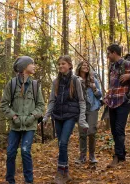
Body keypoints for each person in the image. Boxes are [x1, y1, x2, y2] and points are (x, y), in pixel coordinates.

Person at [42, 55, 88, 184]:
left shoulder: (75, 80)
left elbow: (81, 101)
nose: (61, 66)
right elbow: (51, 101)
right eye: (59, 64)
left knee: (63, 143)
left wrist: (82, 119)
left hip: (70, 116)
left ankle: (60, 172)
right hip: (57, 116)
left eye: (63, 64)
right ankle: (66, 172)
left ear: (70, 65)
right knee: (61, 145)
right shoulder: (55, 82)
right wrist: (46, 116)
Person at [0, 56, 45, 184]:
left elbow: (41, 105)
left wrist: (32, 116)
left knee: (25, 151)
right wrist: (14, 116)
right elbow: (4, 104)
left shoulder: (35, 85)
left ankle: (28, 181)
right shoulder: (12, 83)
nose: (34, 66)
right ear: (24, 67)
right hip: (15, 125)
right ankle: (10, 180)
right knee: (10, 153)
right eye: (32, 64)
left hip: (30, 125)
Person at [104, 44, 130, 168]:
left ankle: (117, 157)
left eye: (108, 53)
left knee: (119, 129)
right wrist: (106, 98)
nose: (107, 56)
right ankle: (122, 156)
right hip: (112, 102)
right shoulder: (112, 66)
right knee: (113, 130)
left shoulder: (127, 64)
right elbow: (112, 86)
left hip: (124, 101)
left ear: (114, 53)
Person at [75, 61, 103, 164]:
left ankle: (92, 156)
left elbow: (100, 95)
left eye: (87, 66)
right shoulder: (75, 80)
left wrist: (94, 88)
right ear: (79, 67)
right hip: (80, 110)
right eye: (84, 65)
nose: (86, 67)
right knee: (82, 134)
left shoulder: (93, 80)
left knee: (91, 132)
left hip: (92, 108)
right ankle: (82, 157)